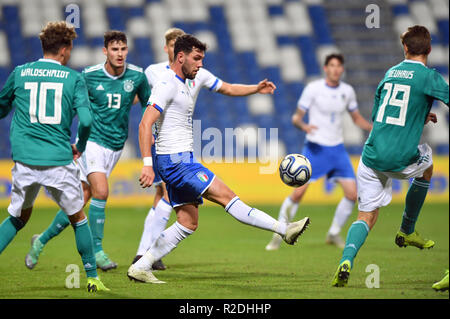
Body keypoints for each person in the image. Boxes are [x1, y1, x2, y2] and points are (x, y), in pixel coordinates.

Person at [127, 34, 310, 283]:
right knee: (228, 197)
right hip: (177, 162)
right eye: (197, 59)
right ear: (181, 57)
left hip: (179, 160)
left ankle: (142, 265)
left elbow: (227, 87)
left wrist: (256, 88)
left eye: (202, 59)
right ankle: (284, 229)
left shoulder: (183, 82)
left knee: (188, 222)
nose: (201, 64)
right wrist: (148, 165)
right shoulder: (166, 83)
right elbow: (144, 124)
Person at [332, 25, 449, 287]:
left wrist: (417, 114)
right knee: (427, 164)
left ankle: (347, 259)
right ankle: (407, 229)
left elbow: (380, 116)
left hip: (371, 156)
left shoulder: (390, 73)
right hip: (400, 158)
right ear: (429, 49)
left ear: (405, 48)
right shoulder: (429, 77)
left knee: (366, 216)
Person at [25, 30, 151, 271]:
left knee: (79, 201)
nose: (120, 53)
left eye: (123, 49)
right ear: (105, 51)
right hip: (92, 142)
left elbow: (147, 107)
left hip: (115, 146)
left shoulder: (137, 76)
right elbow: (75, 106)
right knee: (101, 191)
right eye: (114, 49)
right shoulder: (89, 76)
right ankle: (98, 250)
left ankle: (40, 240)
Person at [0, 21, 108, 292]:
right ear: (64, 49)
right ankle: (93, 279)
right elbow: (85, 120)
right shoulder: (73, 78)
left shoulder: (20, 73)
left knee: (18, 216)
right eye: (70, 47)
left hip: (25, 159)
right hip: (58, 159)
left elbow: (1, 108)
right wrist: (80, 146)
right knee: (78, 218)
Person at [265, 53, 373, 251]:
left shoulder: (347, 91)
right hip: (316, 148)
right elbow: (296, 118)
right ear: (326, 68)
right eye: (331, 65)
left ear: (342, 69)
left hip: (338, 150)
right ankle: (279, 232)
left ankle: (333, 233)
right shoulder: (313, 89)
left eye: (339, 66)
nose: (335, 69)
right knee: (298, 193)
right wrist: (304, 127)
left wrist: (374, 128)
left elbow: (356, 118)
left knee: (352, 194)